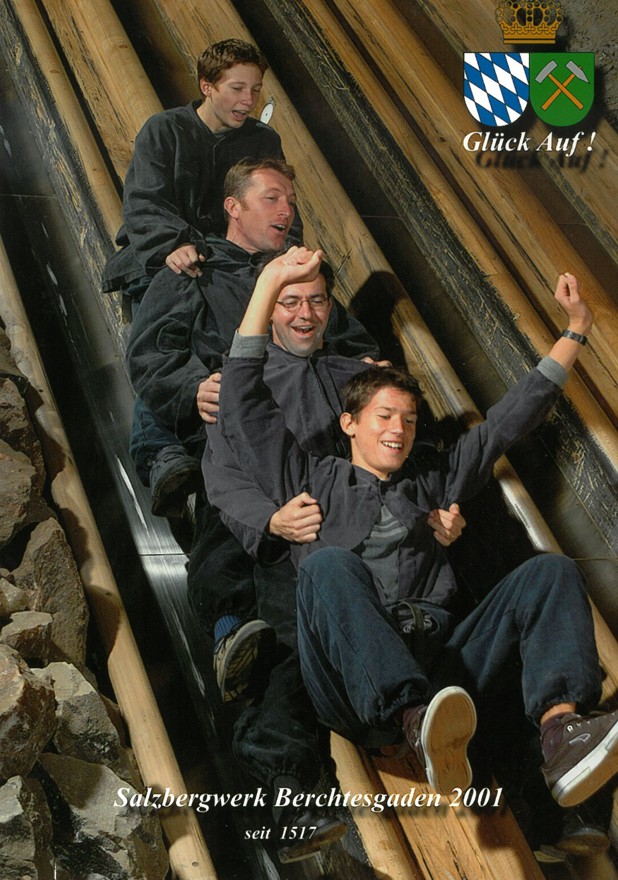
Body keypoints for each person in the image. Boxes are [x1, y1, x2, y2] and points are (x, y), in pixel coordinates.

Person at [215, 246, 618, 827]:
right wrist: (269, 284)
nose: (398, 430)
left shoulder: (432, 482)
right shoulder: (309, 478)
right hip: (352, 683)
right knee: (328, 565)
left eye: (407, 419)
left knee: (550, 571)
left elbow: (506, 423)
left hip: (439, 665)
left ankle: (561, 733)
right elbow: (244, 405)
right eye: (383, 416)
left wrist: (574, 332)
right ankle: (414, 720)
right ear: (350, 423)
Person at [103, 39, 301, 515]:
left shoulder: (262, 141)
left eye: (255, 90)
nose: (247, 101)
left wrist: (287, 259)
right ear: (207, 86)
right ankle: (161, 453)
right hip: (165, 260)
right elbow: (144, 201)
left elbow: (278, 204)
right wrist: (172, 243)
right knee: (165, 339)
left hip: (230, 264)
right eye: (236, 89)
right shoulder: (165, 130)